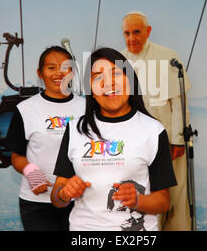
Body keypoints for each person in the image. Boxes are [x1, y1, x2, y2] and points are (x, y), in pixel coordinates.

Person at [51, 47, 177, 231]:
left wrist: (138, 200)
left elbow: (163, 202)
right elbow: (56, 197)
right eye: (98, 77)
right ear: (91, 90)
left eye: (116, 74)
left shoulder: (153, 130)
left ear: (130, 81)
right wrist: (64, 194)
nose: (108, 83)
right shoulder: (74, 129)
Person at [120, 11, 192, 231]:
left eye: (137, 32)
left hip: (168, 143)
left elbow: (178, 103)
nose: (131, 38)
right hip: (134, 144)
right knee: (142, 194)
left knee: (175, 194)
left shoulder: (167, 56)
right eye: (127, 33)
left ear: (148, 31)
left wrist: (178, 140)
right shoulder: (118, 60)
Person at [6, 46, 85, 231]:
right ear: (40, 73)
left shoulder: (87, 107)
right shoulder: (25, 109)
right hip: (36, 204)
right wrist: (31, 171)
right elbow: (16, 155)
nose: (59, 73)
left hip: (79, 201)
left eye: (65, 67)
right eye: (51, 68)